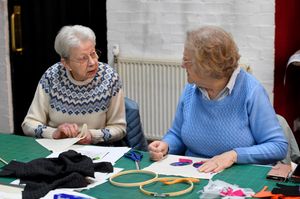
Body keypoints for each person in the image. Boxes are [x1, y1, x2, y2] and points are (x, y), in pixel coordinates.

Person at [148, 25, 288, 173]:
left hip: (238, 174)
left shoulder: (251, 91)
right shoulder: (192, 88)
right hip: (194, 172)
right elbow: (177, 134)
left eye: (187, 61)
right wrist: (166, 145)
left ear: (208, 67)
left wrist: (234, 155)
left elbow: (277, 146)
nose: (182, 65)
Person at [22, 25, 126, 145]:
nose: (92, 62)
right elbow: (29, 124)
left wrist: (93, 135)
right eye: (83, 59)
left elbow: (119, 128)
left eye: (93, 54)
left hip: (96, 151)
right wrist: (54, 133)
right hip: (56, 150)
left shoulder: (109, 78)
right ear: (66, 63)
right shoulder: (52, 76)